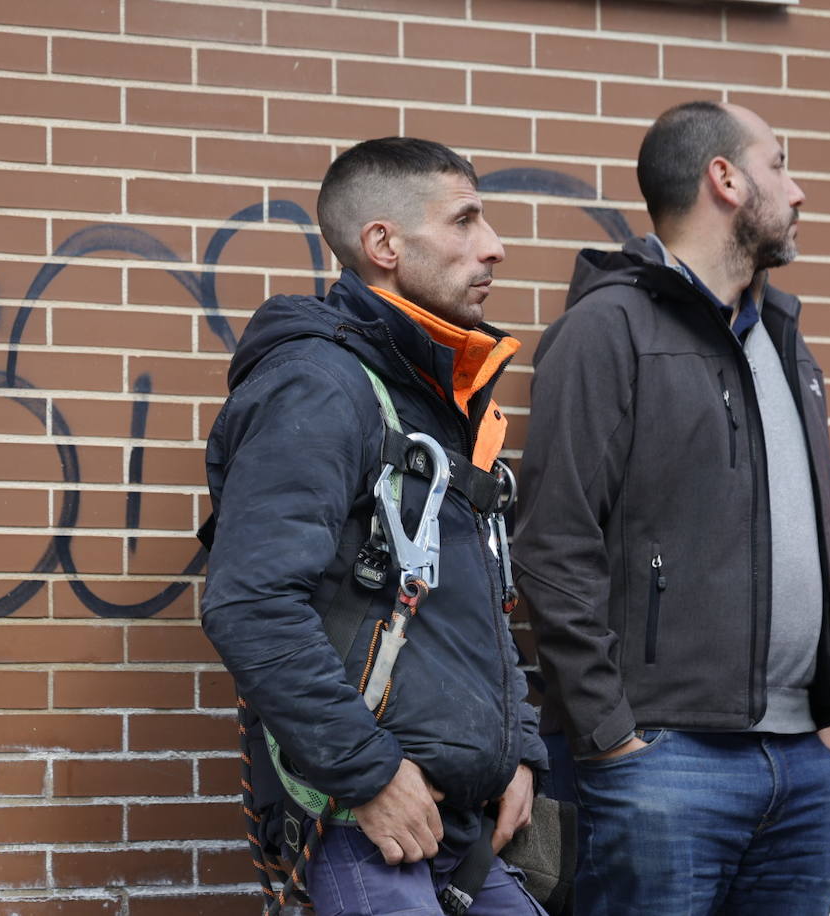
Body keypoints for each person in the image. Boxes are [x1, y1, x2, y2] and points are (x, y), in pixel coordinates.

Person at [512, 101, 830, 914]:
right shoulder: (605, 331)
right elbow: (552, 542)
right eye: (779, 165)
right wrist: (614, 738)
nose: (799, 190)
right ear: (726, 180)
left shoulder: (783, 340)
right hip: (660, 762)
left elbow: (814, 536)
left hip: (802, 762)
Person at [201, 136, 548, 915]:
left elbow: (482, 599)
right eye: (465, 221)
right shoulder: (320, 385)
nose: (495, 247)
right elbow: (249, 603)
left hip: (457, 825)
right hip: (364, 822)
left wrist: (520, 750)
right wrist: (368, 775)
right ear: (383, 243)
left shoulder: (438, 393)